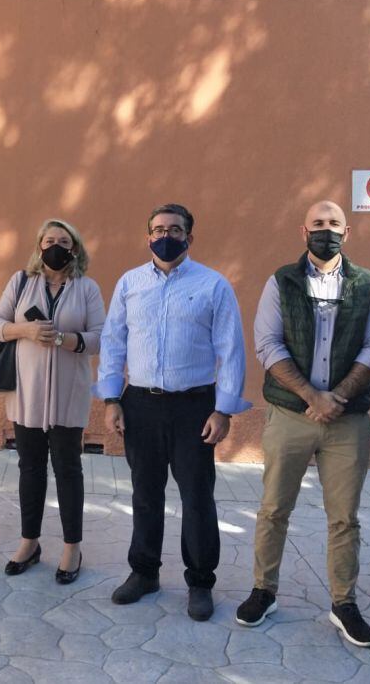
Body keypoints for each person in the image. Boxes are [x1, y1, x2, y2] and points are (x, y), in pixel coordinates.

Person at [238, 199, 370, 647]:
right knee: (273, 510)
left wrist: (337, 397)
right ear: (303, 233)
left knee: (344, 518)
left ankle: (344, 602)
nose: (326, 231)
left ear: (348, 232)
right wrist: (311, 396)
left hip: (347, 420)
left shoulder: (366, 285)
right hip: (291, 414)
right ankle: (263, 591)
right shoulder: (281, 281)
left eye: (334, 224)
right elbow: (267, 344)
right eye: (318, 224)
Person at [97, 203, 249, 619]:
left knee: (197, 497)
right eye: (159, 229)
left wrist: (223, 410)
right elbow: (113, 343)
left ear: (189, 238)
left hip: (193, 406)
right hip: (140, 403)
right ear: (148, 236)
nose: (167, 235)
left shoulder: (213, 285)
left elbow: (231, 350)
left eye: (176, 230)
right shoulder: (129, 284)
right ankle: (144, 573)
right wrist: (112, 399)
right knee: (145, 494)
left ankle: (200, 582)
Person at [0, 219, 105, 584]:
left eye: (64, 241)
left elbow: (102, 337)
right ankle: (30, 542)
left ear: (75, 248)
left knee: (68, 470)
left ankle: (72, 547)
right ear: (39, 246)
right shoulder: (21, 282)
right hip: (27, 395)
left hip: (69, 395)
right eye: (49, 240)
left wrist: (66, 340)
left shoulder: (87, 288)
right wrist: (25, 329)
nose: (56, 246)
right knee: (30, 468)